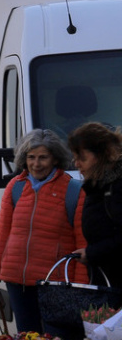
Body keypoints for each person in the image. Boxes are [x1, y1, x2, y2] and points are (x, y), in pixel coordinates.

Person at [0, 129, 87, 336]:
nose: (36, 164)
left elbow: (82, 245)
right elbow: (2, 238)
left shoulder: (74, 190)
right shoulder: (14, 187)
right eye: (31, 157)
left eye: (43, 157)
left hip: (55, 285)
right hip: (17, 283)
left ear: (55, 159)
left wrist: (80, 290)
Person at [68, 123, 122, 292]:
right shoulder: (97, 186)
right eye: (74, 158)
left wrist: (92, 253)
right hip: (106, 282)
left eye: (82, 158)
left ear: (103, 155)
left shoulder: (116, 187)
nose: (77, 164)